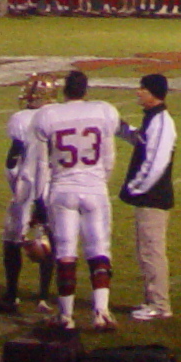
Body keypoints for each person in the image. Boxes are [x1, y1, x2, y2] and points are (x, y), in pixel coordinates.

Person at [28, 67, 123, 332]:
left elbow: (40, 165)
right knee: (99, 248)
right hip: (94, 187)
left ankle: (66, 315)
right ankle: (101, 312)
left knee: (66, 252)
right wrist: (98, 179)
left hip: (62, 188)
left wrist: (39, 199)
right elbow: (109, 157)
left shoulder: (48, 115)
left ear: (65, 90)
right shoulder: (103, 111)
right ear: (85, 89)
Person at [0, 70, 60, 314]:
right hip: (54, 184)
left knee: (12, 240)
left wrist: (16, 188)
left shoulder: (21, 119)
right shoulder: (58, 116)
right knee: (51, 238)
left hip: (27, 185)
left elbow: (12, 160)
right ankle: (45, 296)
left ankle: (11, 294)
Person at [118, 72, 177, 322]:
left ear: (153, 93)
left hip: (153, 197)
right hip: (149, 196)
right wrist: (120, 128)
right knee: (147, 251)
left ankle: (160, 305)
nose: (137, 92)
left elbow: (156, 163)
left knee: (152, 251)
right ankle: (152, 299)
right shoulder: (153, 119)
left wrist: (136, 188)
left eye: (142, 88)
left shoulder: (162, 121)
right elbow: (141, 142)